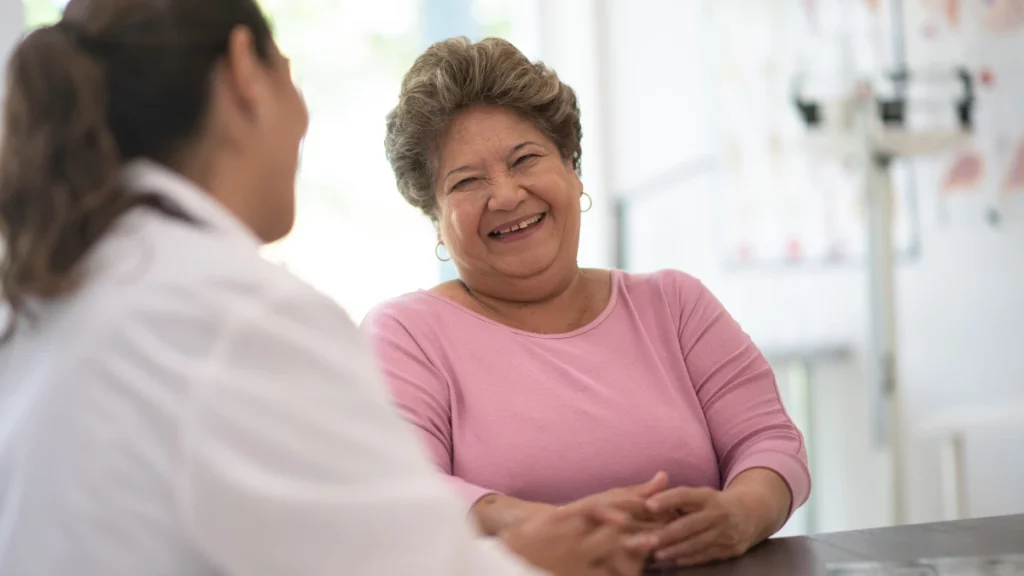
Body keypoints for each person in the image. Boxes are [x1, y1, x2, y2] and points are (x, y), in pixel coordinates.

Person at [0, 2, 658, 575]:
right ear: (243, 72)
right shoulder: (235, 314)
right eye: (289, 72)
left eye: (525, 159)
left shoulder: (58, 289)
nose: (303, 124)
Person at [364, 36, 812, 568]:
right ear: (435, 217)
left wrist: (741, 513)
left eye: (524, 159)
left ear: (572, 170)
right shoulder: (405, 333)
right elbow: (404, 488)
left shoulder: (675, 304)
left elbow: (769, 440)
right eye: (467, 182)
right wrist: (540, 527)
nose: (505, 195)